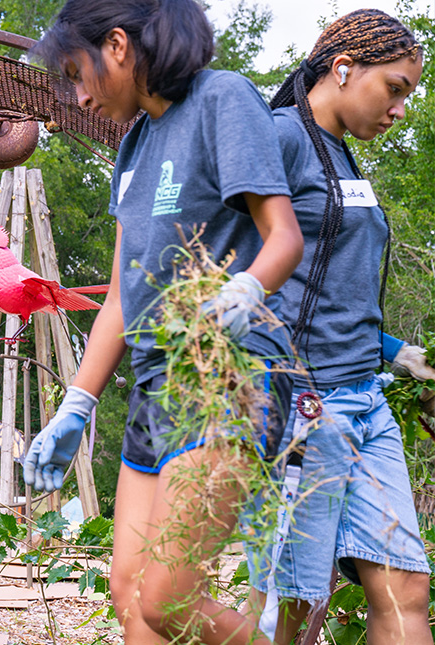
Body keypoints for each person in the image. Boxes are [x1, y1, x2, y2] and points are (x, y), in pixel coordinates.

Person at [23, 1, 303, 643]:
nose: (77, 96)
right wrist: (77, 404)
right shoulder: (134, 149)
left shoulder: (222, 100)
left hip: (224, 376)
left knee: (168, 600)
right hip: (154, 382)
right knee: (127, 591)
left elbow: (283, 236)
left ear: (117, 45)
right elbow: (122, 298)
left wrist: (244, 290)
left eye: (75, 72)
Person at [245, 11, 432, 645]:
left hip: (365, 397)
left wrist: (399, 353)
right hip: (300, 399)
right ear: (344, 68)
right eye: (397, 87)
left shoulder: (341, 156)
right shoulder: (279, 138)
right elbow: (235, 272)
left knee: (405, 589)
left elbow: (328, 290)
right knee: (291, 609)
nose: (401, 108)